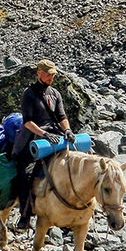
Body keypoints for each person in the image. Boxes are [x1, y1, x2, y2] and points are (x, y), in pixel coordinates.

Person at [10, 59, 77, 232]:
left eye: (53, 75)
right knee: (26, 174)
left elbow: (62, 116)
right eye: (48, 74)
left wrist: (67, 130)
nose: (51, 77)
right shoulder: (29, 94)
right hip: (34, 138)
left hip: (55, 134)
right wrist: (44, 134)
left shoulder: (55, 93)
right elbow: (27, 121)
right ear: (39, 73)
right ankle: (25, 215)